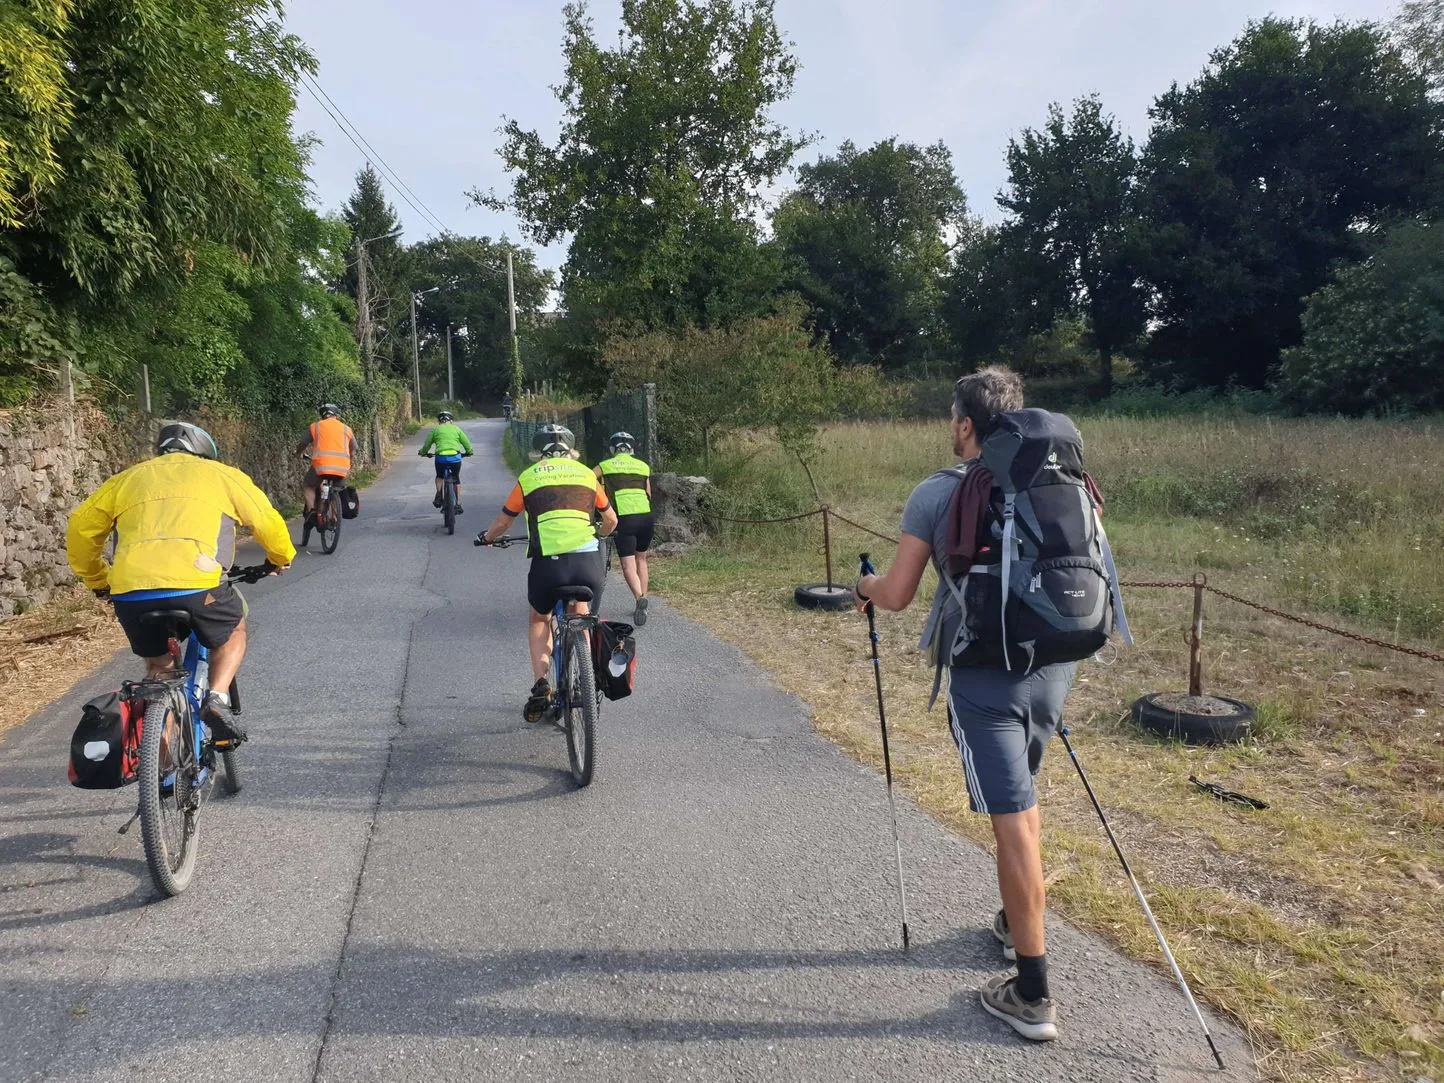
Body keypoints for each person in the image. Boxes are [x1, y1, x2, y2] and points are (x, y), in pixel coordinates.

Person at [854, 365, 1074, 1044]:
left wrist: (863, 586)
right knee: (1026, 802)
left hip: (985, 677)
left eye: (952, 417)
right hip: (1055, 667)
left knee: (1012, 820)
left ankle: (1032, 992)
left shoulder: (936, 492)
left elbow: (895, 594)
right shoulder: (1054, 479)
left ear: (966, 425)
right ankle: (1016, 921)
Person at [65, 421, 295, 746]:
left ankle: (158, 768)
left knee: (160, 667)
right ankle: (215, 698)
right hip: (197, 583)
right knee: (233, 631)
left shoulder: (127, 479)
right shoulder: (221, 475)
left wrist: (99, 580)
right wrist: (280, 557)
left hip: (131, 590)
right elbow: (265, 519)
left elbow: (80, 527)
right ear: (206, 453)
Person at [477, 424, 617, 722]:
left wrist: (488, 538)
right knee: (581, 611)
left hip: (548, 565)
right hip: (587, 563)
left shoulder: (528, 478)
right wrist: (598, 534)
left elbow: (503, 524)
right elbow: (610, 520)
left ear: (538, 453)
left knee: (540, 619)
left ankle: (542, 683)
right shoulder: (588, 476)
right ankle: (586, 676)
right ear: (572, 451)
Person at [595, 431, 654, 627]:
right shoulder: (643, 466)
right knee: (641, 558)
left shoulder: (605, 465)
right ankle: (643, 598)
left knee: (628, 564)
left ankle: (639, 599)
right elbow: (648, 493)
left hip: (624, 517)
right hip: (646, 516)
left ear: (612, 449)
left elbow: (585, 481)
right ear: (632, 449)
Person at [294, 403, 358, 546]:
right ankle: (334, 517)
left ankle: (311, 511)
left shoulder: (315, 427)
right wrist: (348, 462)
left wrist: (298, 454)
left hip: (321, 467)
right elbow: (353, 450)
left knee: (308, 485)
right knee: (337, 490)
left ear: (322, 415)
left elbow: (303, 443)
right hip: (341, 468)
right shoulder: (346, 429)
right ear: (336, 415)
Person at [418, 410, 474, 514]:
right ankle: (458, 503)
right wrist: (469, 452)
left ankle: (439, 494)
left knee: (439, 476)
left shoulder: (435, 430)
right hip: (455, 458)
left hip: (441, 459)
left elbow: (427, 445)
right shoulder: (457, 429)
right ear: (451, 421)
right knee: (456, 478)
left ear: (439, 421)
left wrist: (423, 452)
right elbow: (466, 442)